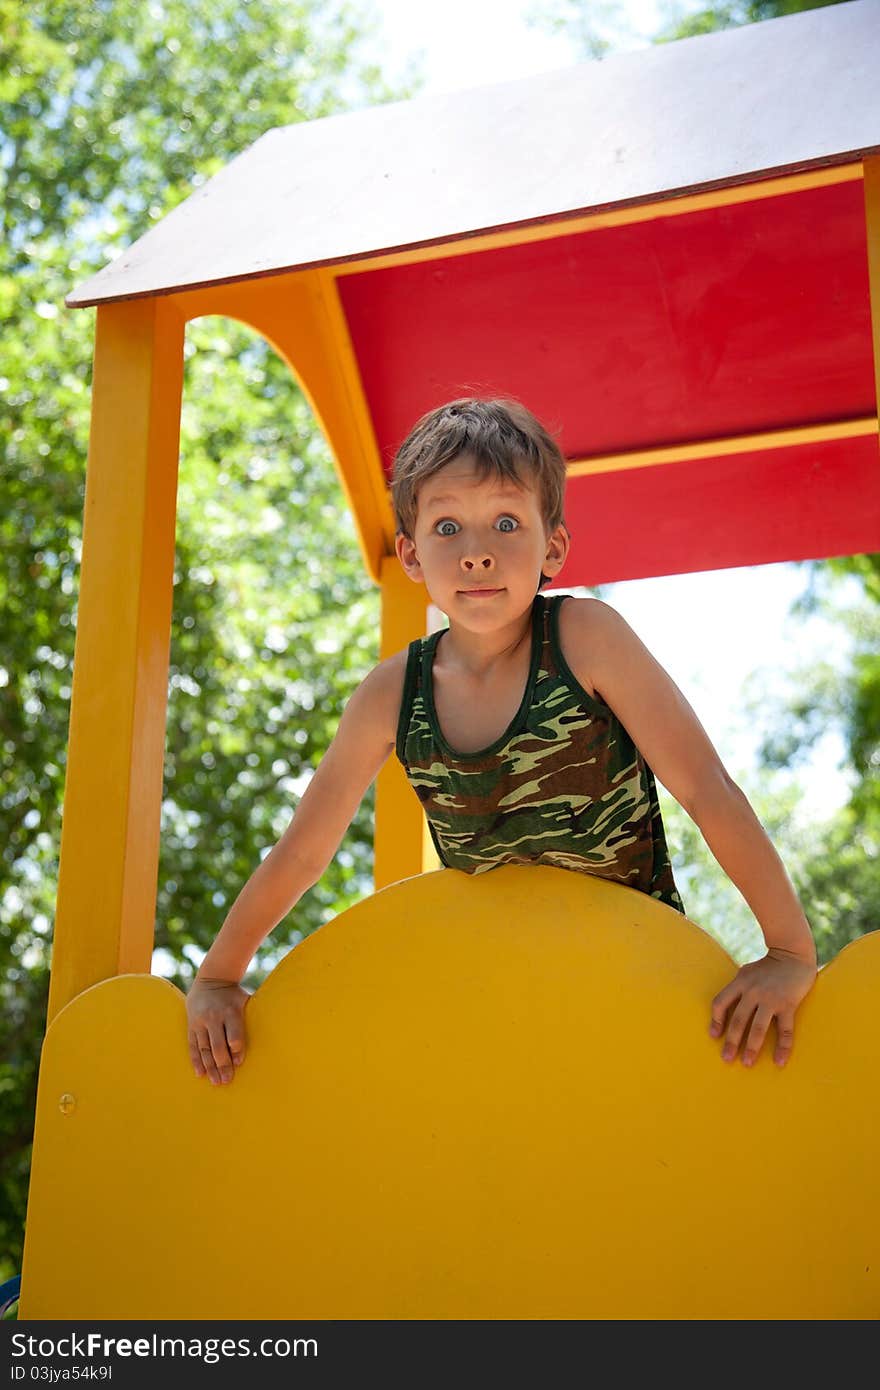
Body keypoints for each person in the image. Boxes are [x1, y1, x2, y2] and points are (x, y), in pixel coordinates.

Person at [186, 397, 818, 1086]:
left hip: (635, 974)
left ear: (554, 548)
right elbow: (304, 850)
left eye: (506, 523)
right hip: (495, 996)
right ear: (411, 554)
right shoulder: (394, 694)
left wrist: (787, 950)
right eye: (447, 526)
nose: (477, 551)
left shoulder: (585, 640)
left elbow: (705, 789)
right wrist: (219, 975)